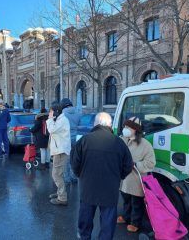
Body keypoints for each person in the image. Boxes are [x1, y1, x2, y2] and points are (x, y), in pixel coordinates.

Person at [70, 112, 133, 240]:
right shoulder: (119, 143)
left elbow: (74, 163)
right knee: (108, 222)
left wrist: (80, 175)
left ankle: (84, 237)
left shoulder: (84, 140)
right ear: (109, 125)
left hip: (88, 187)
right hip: (110, 189)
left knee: (85, 217)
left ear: (96, 124)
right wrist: (118, 177)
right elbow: (128, 165)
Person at [117, 117, 156, 233]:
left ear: (135, 129)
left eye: (128, 127)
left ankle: (135, 222)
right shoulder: (122, 140)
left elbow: (151, 163)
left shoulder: (145, 145)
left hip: (136, 180)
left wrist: (136, 164)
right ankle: (125, 217)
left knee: (136, 202)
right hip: (124, 179)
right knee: (126, 200)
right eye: (125, 127)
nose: (125, 129)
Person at [46, 102, 71, 206]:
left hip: (61, 151)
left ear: (56, 112)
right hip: (59, 150)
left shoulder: (62, 121)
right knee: (58, 174)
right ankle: (60, 193)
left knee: (56, 174)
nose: (49, 113)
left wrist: (49, 119)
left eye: (51, 111)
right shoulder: (60, 119)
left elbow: (51, 129)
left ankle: (62, 198)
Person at [60, 98, 82, 184]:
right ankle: (74, 177)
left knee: (66, 159)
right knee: (74, 158)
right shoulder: (78, 112)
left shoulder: (63, 114)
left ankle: (67, 178)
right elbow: (79, 124)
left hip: (66, 138)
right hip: (76, 138)